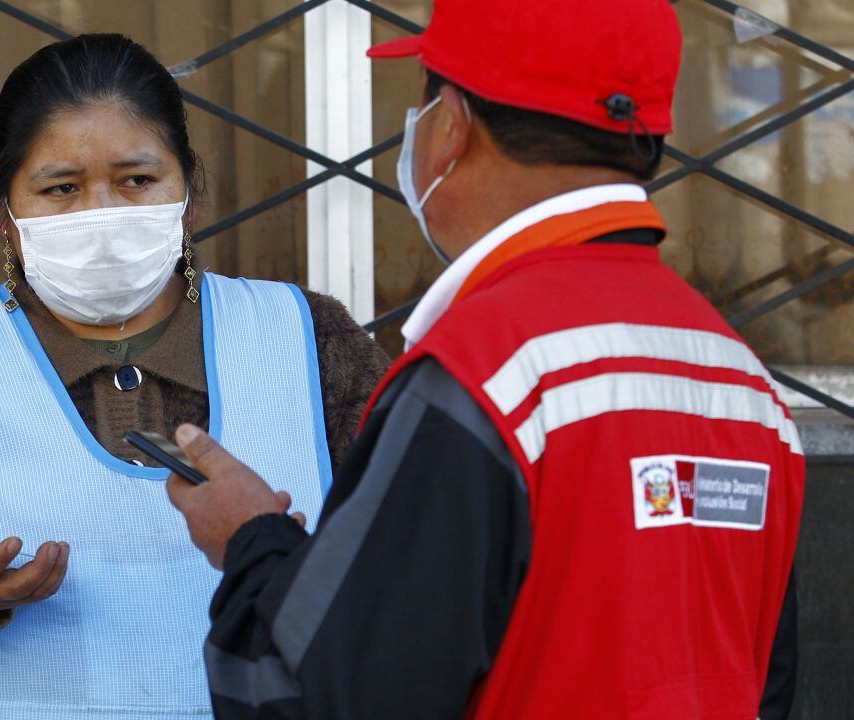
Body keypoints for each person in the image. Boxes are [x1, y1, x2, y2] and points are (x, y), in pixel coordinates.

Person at [164, 1, 805, 718]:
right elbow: (761, 687)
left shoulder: (481, 376)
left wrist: (253, 539)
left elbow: (326, 694)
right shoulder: (748, 390)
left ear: (452, 126)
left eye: (424, 101)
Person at [0, 34, 389, 720]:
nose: (101, 216)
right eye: (61, 189)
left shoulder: (313, 341)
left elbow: (420, 584)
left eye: (137, 181)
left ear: (188, 193)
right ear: (6, 209)